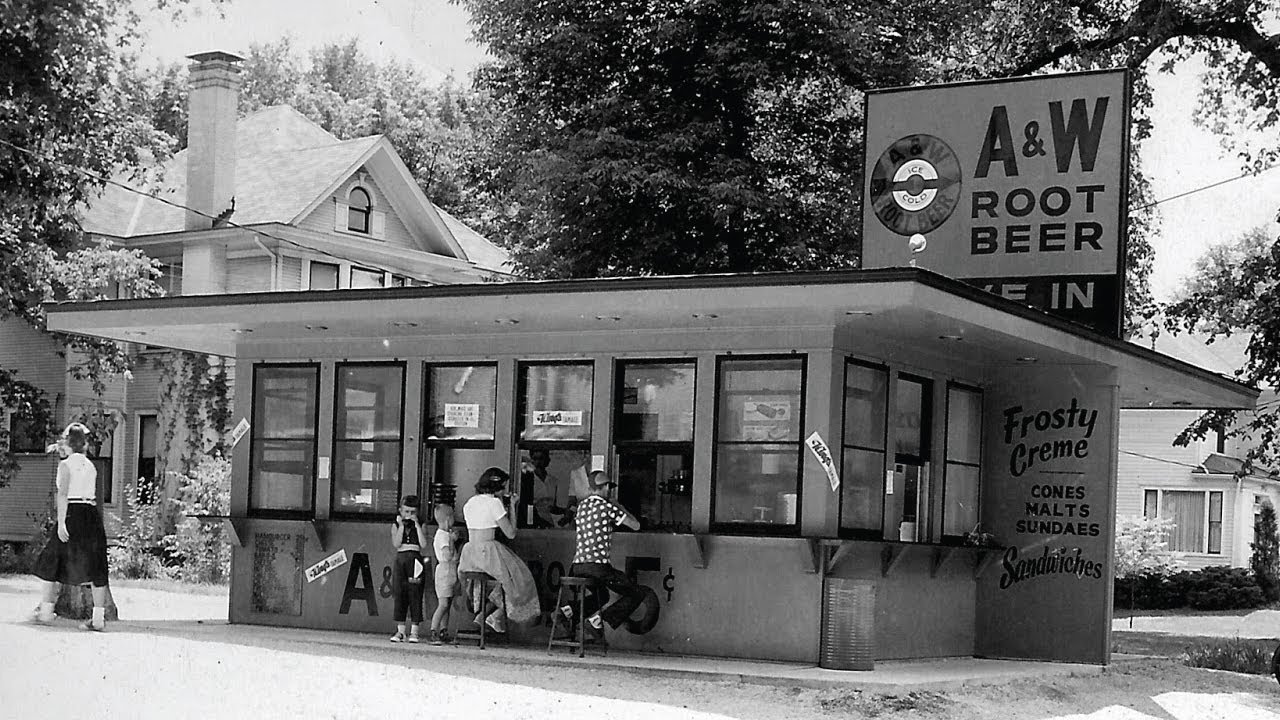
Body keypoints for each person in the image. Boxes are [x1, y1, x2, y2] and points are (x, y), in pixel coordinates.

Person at [31, 423, 110, 631]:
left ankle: (46, 612)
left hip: (73, 512)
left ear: (68, 443)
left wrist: (62, 522)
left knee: (52, 558)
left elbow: (64, 494)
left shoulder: (65, 465)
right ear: (84, 444)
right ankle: (98, 618)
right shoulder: (90, 466)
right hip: (91, 513)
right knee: (96, 563)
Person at [562, 469, 646, 633]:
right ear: (606, 487)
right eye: (608, 487)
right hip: (598, 567)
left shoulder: (581, 507)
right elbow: (636, 525)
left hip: (577, 567)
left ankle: (569, 611)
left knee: (602, 595)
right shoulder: (608, 507)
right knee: (636, 592)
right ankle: (601, 618)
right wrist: (619, 506)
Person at [457, 468, 540, 633]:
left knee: (495, 584)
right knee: (518, 579)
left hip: (470, 553)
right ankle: (496, 616)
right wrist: (513, 508)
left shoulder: (470, 502)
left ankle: (483, 617)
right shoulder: (494, 503)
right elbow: (510, 533)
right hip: (488, 551)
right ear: (497, 487)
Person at [388, 495, 428, 643]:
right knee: (400, 592)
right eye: (406, 512)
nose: (409, 515)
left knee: (415, 593)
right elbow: (396, 543)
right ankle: (400, 631)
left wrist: (417, 525)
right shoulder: (396, 525)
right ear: (400, 511)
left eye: (412, 512)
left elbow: (423, 544)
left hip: (415, 557)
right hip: (401, 557)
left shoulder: (421, 524)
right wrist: (402, 526)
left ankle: (415, 631)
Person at [428, 503, 459, 645]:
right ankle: (433, 630)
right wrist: (452, 542)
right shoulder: (442, 537)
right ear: (447, 519)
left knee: (448, 603)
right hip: (445, 571)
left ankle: (443, 630)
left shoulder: (446, 534)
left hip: (451, 571)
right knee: (443, 603)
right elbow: (447, 555)